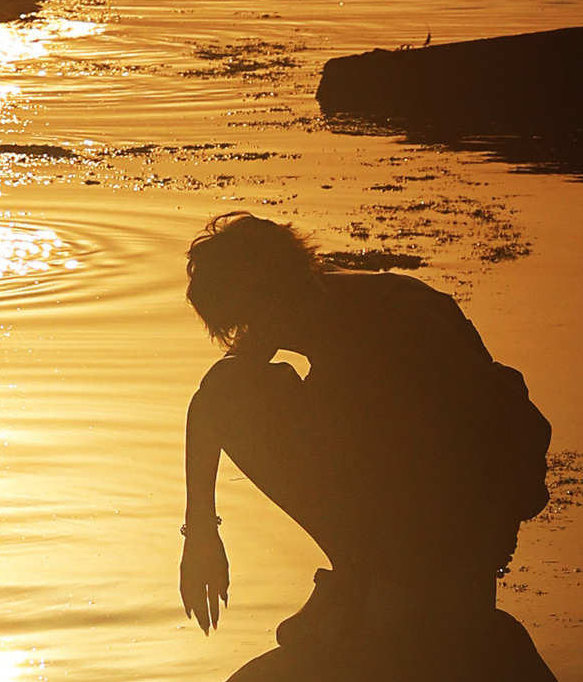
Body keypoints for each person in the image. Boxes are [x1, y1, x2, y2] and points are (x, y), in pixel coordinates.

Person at [177, 211, 548, 649]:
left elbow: (519, 427)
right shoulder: (306, 302)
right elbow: (214, 399)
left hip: (450, 528)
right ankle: (360, 572)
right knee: (231, 387)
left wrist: (485, 551)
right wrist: (201, 531)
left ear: (275, 290)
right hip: (398, 503)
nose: (250, 334)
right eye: (241, 323)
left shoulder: (392, 322)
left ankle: (389, 583)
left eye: (249, 317)